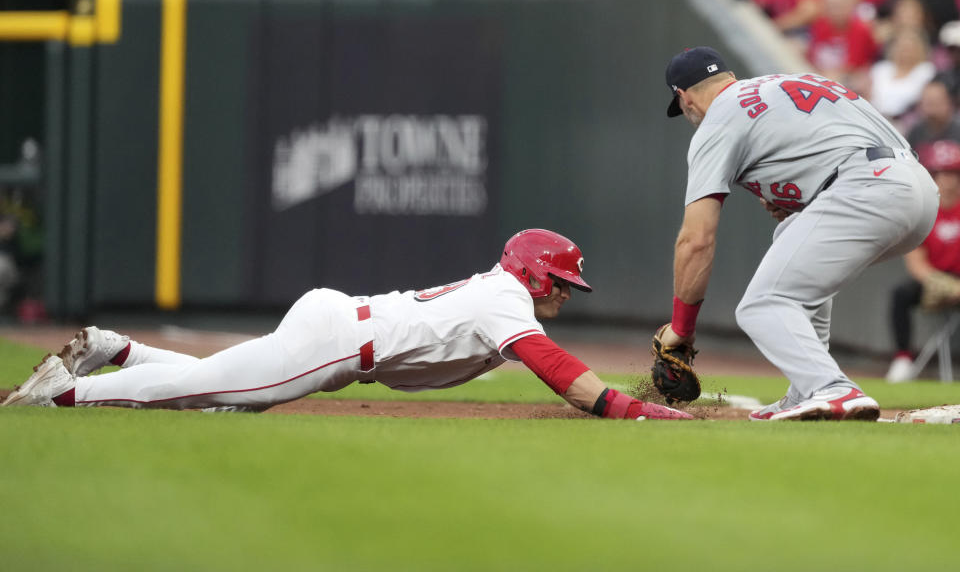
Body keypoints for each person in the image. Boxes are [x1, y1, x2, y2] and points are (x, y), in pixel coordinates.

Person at [2, 228, 692, 421]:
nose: (567, 294)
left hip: (339, 324)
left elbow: (552, 360)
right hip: (338, 342)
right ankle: (64, 393)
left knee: (221, 384)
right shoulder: (506, 300)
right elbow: (559, 373)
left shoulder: (500, 292)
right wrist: (630, 409)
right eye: (563, 282)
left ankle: (116, 349)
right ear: (537, 273)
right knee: (211, 396)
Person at [661, 46, 939, 421]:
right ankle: (805, 389)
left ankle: (831, 387)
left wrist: (683, 328)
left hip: (864, 186)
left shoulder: (718, 120)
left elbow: (695, 239)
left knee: (762, 305)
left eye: (682, 108)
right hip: (918, 188)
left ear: (684, 97)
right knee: (793, 240)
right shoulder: (792, 80)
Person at [885, 140, 960, 383]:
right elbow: (916, 262)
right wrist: (941, 284)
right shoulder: (922, 210)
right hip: (934, 279)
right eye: (939, 173)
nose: (946, 180)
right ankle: (903, 359)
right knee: (900, 293)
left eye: (952, 173)